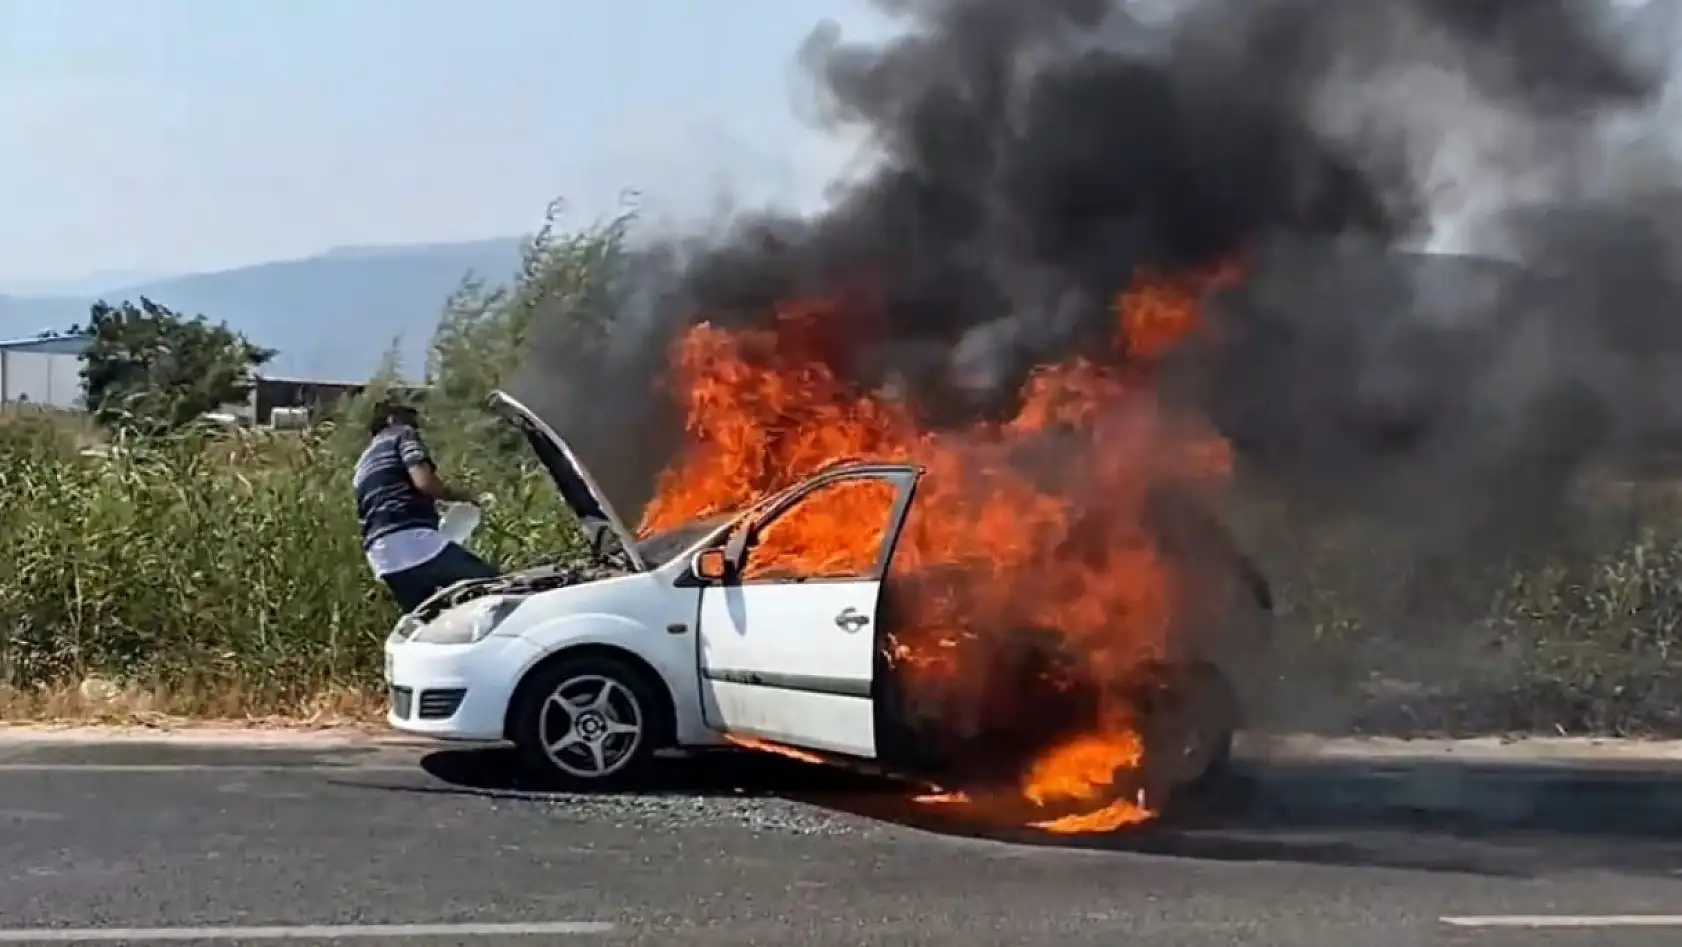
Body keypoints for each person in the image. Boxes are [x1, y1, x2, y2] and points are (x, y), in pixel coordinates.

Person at [354, 399, 498, 612]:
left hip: (382, 558)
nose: (416, 426)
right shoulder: (401, 434)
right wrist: (465, 497)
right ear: (392, 419)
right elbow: (424, 482)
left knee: (432, 618)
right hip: (413, 542)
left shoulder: (362, 464)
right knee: (496, 589)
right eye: (411, 419)